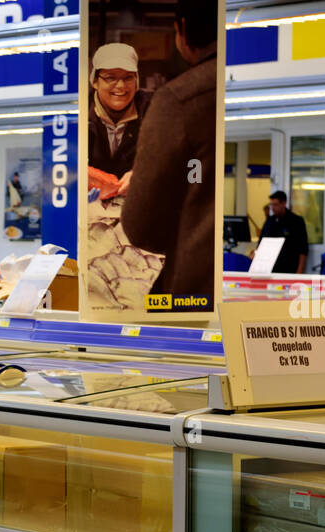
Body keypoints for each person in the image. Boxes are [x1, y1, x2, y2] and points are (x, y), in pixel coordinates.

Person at [119, 0, 218, 304]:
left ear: (182, 30)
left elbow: (140, 223)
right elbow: (195, 170)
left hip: (191, 293)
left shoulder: (179, 100)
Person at [87, 42, 152, 200]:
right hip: (90, 211)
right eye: (111, 78)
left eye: (128, 78)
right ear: (95, 81)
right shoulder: (78, 113)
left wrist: (143, 173)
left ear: (136, 80)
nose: (121, 86)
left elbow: (180, 157)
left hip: (139, 206)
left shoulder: (155, 109)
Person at [259, 190, 309, 274]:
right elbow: (261, 244)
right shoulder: (269, 222)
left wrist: (299, 272)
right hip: (270, 270)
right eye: (271, 205)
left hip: (290, 270)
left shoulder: (296, 222)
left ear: (284, 203)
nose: (273, 208)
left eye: (276, 205)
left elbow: (303, 250)